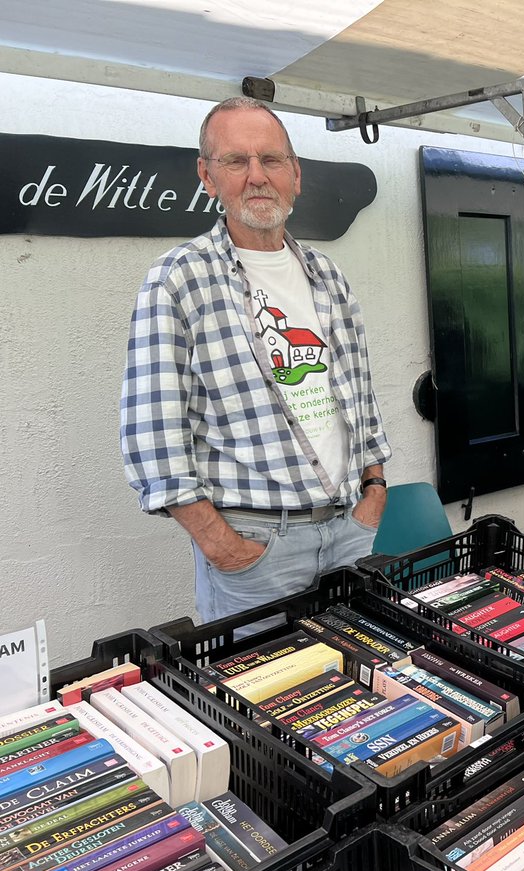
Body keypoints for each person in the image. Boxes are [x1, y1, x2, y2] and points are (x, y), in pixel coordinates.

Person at [120, 97, 391, 624]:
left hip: (349, 534)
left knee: (355, 691)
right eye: (235, 162)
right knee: (262, 701)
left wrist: (374, 490)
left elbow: (361, 395)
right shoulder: (179, 278)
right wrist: (221, 544)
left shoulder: (327, 276)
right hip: (255, 547)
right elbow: (152, 434)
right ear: (207, 176)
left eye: (271, 160)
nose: (256, 177)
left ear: (295, 174)